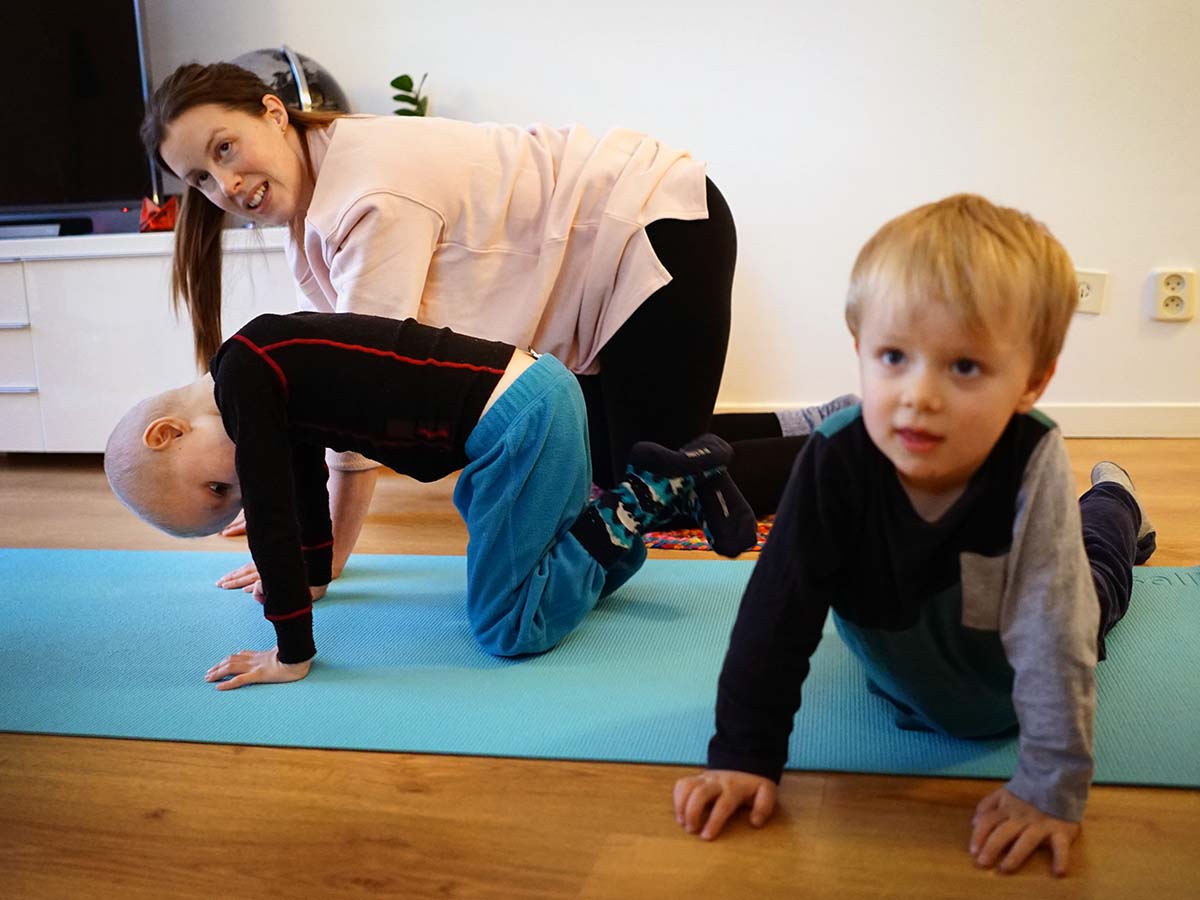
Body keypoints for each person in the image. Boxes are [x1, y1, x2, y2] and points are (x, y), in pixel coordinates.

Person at [139, 61, 852, 595]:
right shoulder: (320, 191)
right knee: (615, 468)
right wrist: (285, 511)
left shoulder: (368, 196)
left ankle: (865, 452)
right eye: (200, 178)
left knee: (652, 491)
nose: (224, 186)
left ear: (273, 112)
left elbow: (351, 396)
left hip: (655, 226)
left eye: (224, 149)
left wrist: (321, 561)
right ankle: (811, 424)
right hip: (615, 252)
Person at [670, 194, 1157, 876]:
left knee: (1098, 567)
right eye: (894, 357)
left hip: (1010, 651)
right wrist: (745, 756)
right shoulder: (835, 459)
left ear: (1032, 382)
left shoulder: (1029, 460)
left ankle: (1115, 498)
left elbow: (1053, 635)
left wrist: (1051, 790)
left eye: (963, 367)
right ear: (860, 351)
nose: (918, 395)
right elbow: (777, 613)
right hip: (914, 641)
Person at [104, 310, 757, 689]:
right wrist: (310, 575)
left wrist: (291, 651)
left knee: (508, 629)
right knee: (519, 562)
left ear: (169, 433)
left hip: (519, 425)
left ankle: (642, 499)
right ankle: (619, 531)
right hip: (532, 404)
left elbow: (273, 513)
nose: (240, 487)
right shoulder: (257, 362)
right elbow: (301, 476)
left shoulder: (244, 377)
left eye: (219, 489)